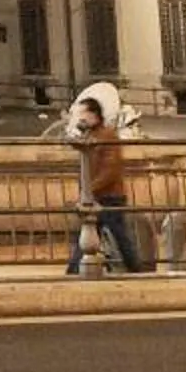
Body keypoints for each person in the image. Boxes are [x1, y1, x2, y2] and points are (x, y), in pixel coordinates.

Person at [63, 81, 149, 275]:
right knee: (99, 235)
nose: (81, 117)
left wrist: (89, 189)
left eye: (84, 113)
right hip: (98, 194)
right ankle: (73, 271)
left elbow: (110, 169)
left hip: (108, 195)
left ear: (95, 114)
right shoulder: (92, 135)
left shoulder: (106, 135)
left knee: (118, 236)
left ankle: (136, 270)